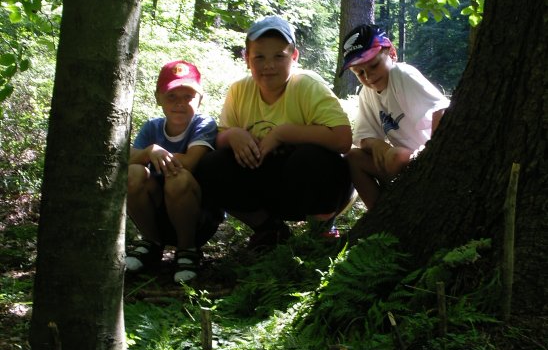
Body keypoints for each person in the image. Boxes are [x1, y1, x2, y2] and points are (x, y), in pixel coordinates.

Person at [194, 15, 354, 249]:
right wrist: (233, 135)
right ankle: (269, 228)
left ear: (294, 57)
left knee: (313, 157)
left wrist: (284, 134)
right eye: (259, 57)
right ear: (247, 59)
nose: (268, 65)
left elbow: (343, 139)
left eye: (279, 56)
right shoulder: (239, 90)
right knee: (210, 164)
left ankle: (321, 230)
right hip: (268, 188)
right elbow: (219, 139)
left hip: (316, 187)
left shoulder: (307, 85)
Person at [125, 59, 220, 283]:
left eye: (188, 96)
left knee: (178, 177)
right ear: (158, 98)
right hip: (158, 214)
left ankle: (187, 249)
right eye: (172, 96)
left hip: (196, 217)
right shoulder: (152, 127)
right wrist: (149, 151)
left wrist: (157, 155)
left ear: (200, 99)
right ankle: (151, 242)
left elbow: (190, 162)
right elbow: (127, 159)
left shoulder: (203, 124)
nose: (180, 103)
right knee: (133, 173)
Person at [341, 24, 450, 209]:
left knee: (397, 157)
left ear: (391, 53)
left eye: (374, 65)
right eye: (360, 73)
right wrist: (376, 144)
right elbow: (363, 138)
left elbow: (441, 111)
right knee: (352, 157)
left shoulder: (402, 75)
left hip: (424, 160)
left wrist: (433, 158)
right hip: (403, 166)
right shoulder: (367, 93)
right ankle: (378, 215)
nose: (368, 76)